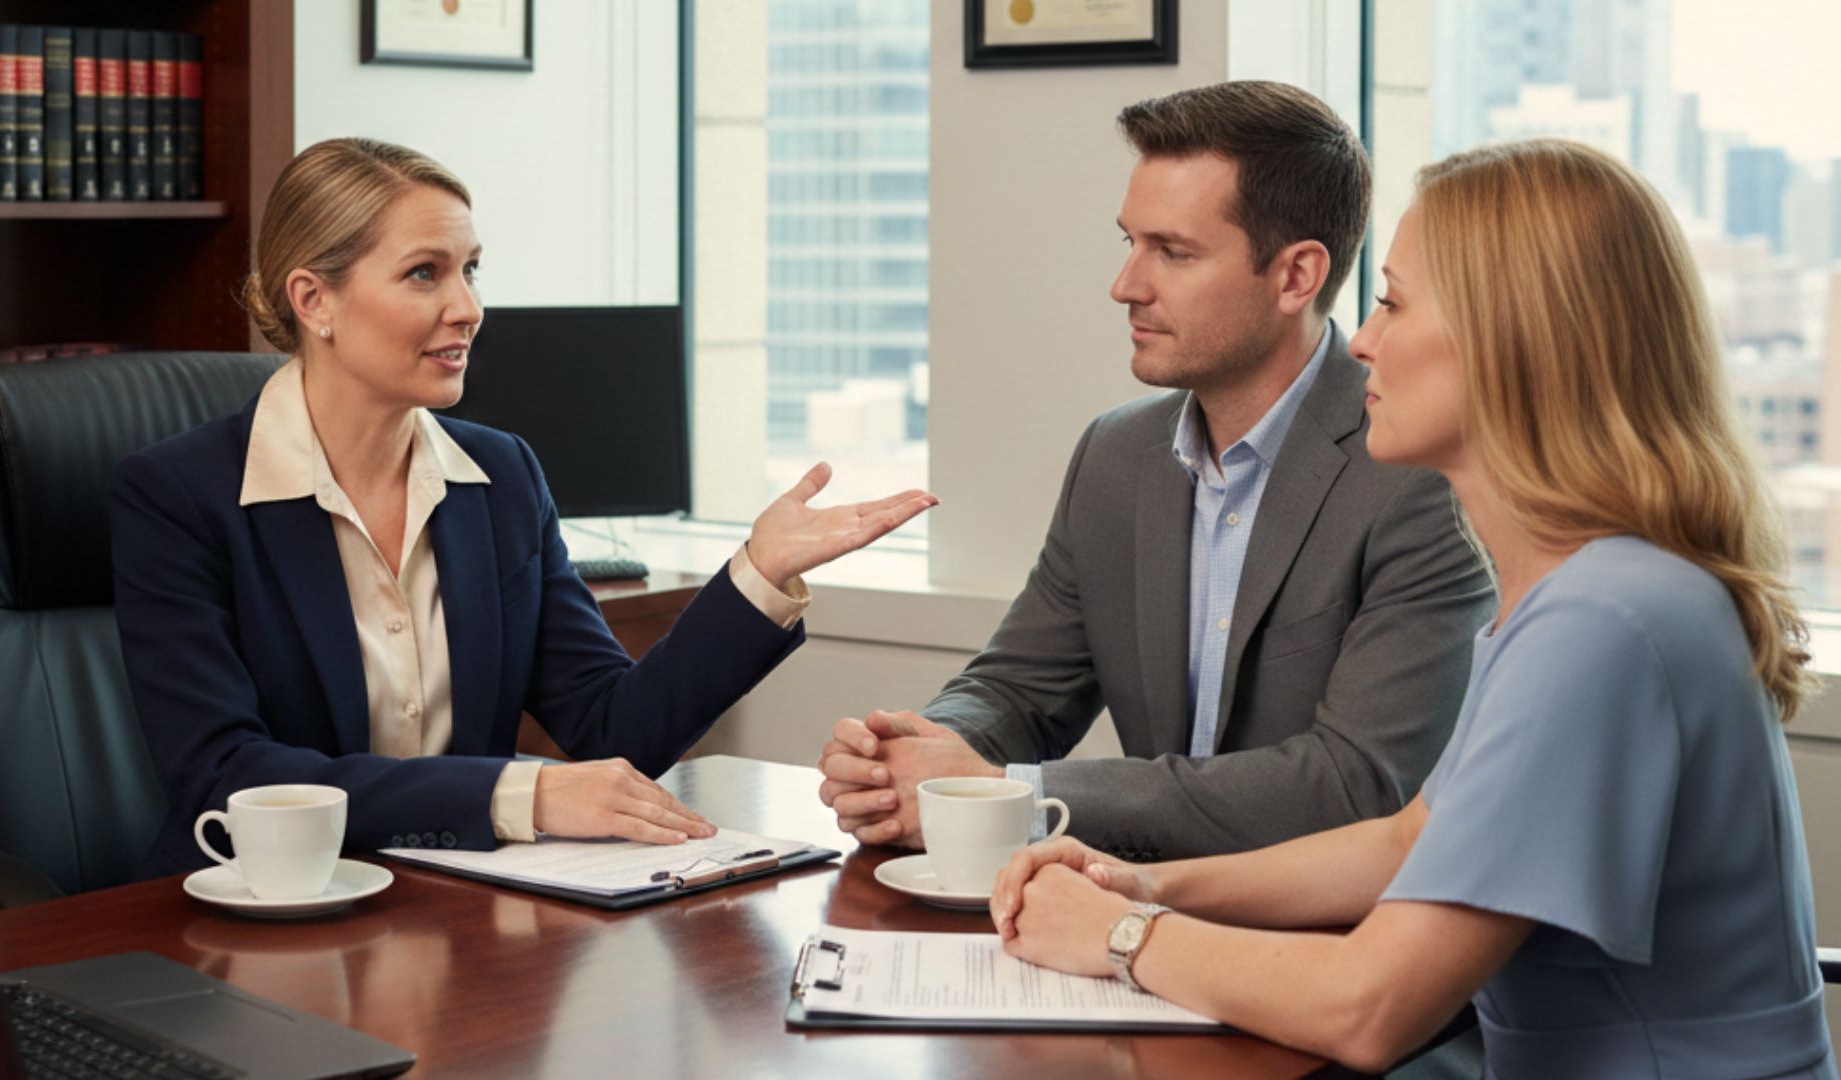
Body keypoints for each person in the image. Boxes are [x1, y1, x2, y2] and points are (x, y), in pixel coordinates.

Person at [989, 138, 1836, 1077]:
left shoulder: (1603, 621)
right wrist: (1144, 880)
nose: (1361, 340)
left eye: (1392, 302)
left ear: (1513, 339)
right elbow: (1410, 842)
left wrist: (1124, 933)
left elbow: (1370, 1006)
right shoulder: (1593, 592)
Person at [113, 138, 936, 877]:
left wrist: (757, 574)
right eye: (423, 273)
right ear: (313, 300)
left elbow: (612, 732)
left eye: (471, 269)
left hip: (451, 910)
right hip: (251, 914)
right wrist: (523, 795)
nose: (468, 307)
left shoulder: (500, 477)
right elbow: (227, 774)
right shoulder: (180, 498)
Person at [817, 81, 1493, 860]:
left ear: (1296, 277)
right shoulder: (1115, 456)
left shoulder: (1420, 473)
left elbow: (1351, 783)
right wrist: (916, 755)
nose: (1126, 286)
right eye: (1129, 243)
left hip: (1324, 945)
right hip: (1117, 917)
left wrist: (1019, 795)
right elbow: (1016, 690)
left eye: (1172, 252)